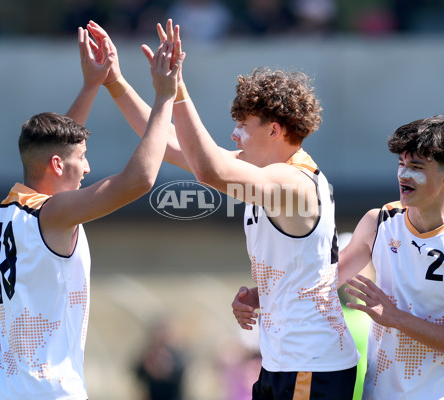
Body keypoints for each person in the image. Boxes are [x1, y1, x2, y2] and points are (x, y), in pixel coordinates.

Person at [77, 20, 359, 399]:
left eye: (243, 125)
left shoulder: (295, 182)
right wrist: (115, 81)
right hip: (284, 362)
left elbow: (209, 169)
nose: (234, 134)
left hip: (311, 365)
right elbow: (174, 146)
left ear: (274, 130)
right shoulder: (270, 174)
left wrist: (177, 90)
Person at [234, 115, 444, 399]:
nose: (403, 175)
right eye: (401, 164)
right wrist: (260, 297)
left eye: (416, 167)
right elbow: (320, 283)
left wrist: (396, 318)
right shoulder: (380, 222)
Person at [0, 26, 184, 398]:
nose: (88, 168)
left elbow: (59, 147)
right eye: (83, 160)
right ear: (59, 166)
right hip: (49, 390)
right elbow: (138, 180)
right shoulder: (54, 213)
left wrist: (92, 84)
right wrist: (163, 99)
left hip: (4, 388)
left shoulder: (9, 209)